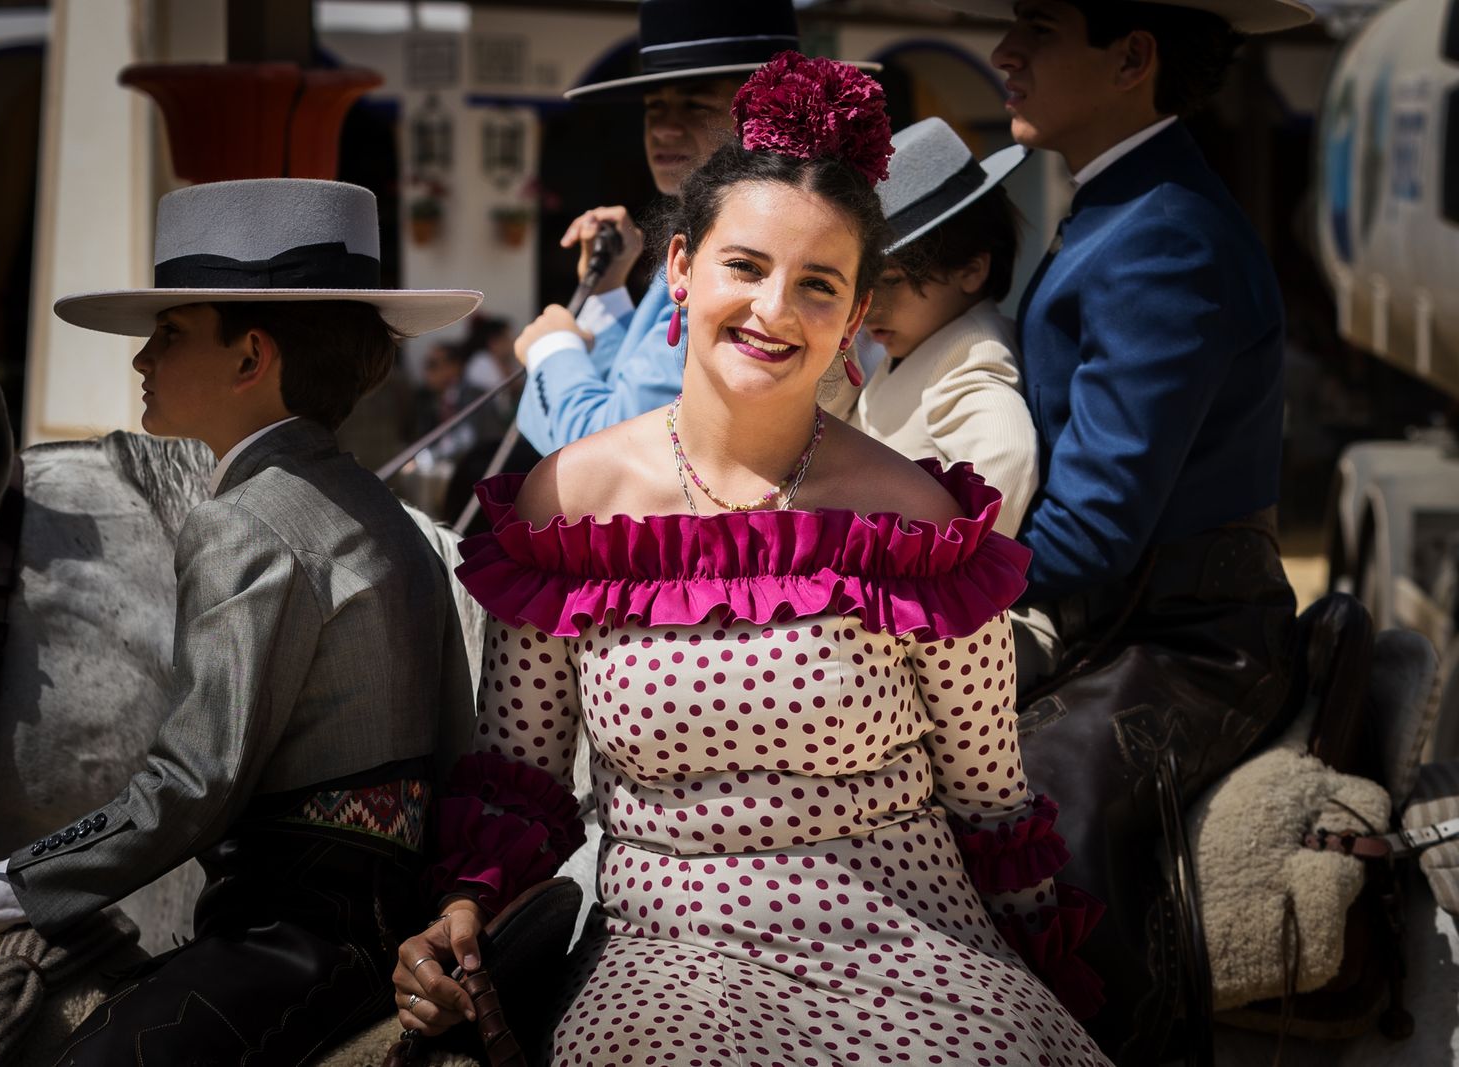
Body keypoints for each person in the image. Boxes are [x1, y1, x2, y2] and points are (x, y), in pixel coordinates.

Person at [393, 54, 1109, 1067]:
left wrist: (1048, 976)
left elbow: (989, 797)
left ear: (855, 315)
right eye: (745, 265)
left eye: (818, 284)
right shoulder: (566, 505)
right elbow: (520, 771)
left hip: (915, 950)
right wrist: (467, 900)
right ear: (681, 266)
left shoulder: (921, 519)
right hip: (664, 961)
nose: (775, 311)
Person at [0, 178, 480, 1064]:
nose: (142, 361)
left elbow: (192, 783)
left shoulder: (244, 521)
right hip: (382, 923)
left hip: (291, 936)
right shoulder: (385, 513)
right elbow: (450, 748)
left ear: (250, 357)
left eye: (168, 335)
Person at [929, 0, 1313, 1059]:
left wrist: (916, 579)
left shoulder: (1165, 237)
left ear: (1132, 57)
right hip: (1116, 611)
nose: (1004, 53)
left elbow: (1094, 529)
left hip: (1187, 636)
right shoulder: (1122, 204)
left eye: (1040, 30)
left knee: (1034, 814)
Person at [514, 0, 878, 455]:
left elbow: (609, 448)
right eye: (654, 108)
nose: (664, 129)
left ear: (757, 114)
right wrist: (607, 291)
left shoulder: (734, 272)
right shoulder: (696, 238)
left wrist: (553, 351)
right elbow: (633, 389)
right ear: (680, 262)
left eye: (694, 104)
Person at [852, 118, 1037, 537]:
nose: (868, 307)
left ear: (971, 270)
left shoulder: (970, 360)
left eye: (892, 281)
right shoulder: (922, 343)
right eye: (862, 285)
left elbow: (1008, 454)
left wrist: (943, 577)